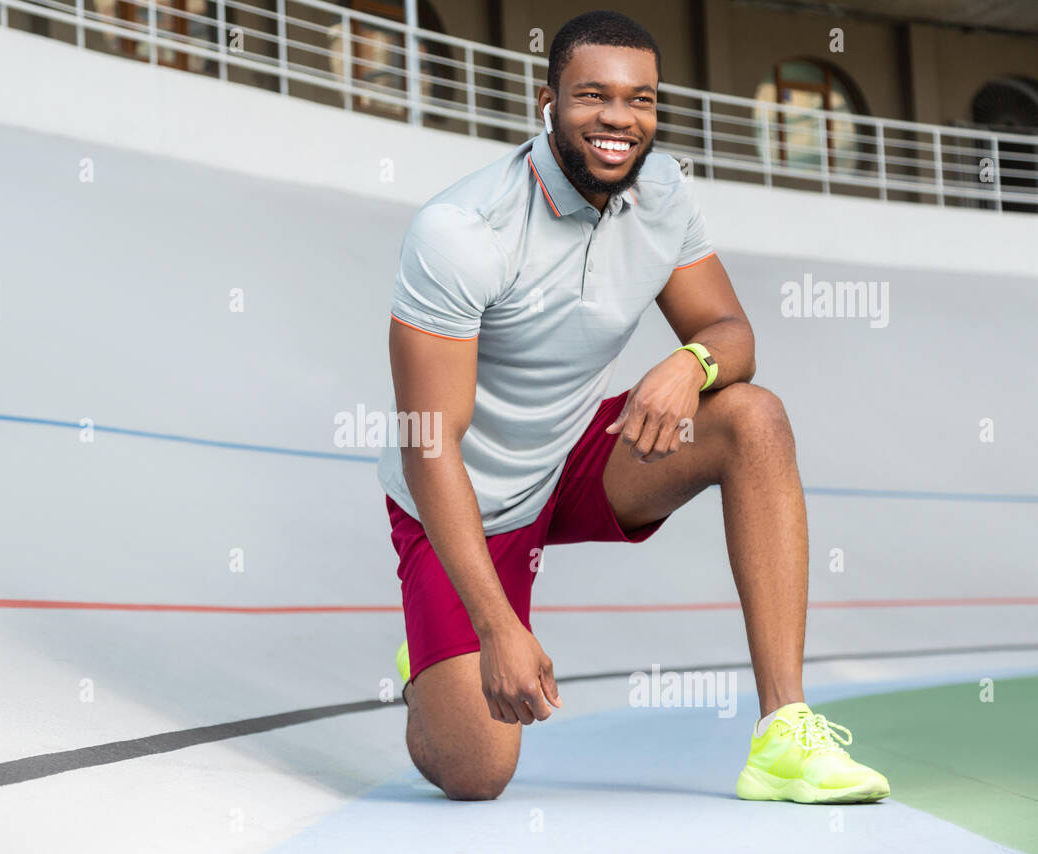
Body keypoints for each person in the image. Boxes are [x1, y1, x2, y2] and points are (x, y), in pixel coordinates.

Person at [378, 10, 889, 804]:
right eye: (593, 96)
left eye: (640, 99)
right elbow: (428, 443)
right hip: (464, 498)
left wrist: (693, 362)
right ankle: (428, 662)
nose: (620, 118)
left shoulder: (662, 190)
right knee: (478, 773)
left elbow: (732, 333)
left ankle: (783, 732)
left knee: (751, 415)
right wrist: (496, 626)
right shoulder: (460, 232)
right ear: (544, 102)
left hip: (577, 452)